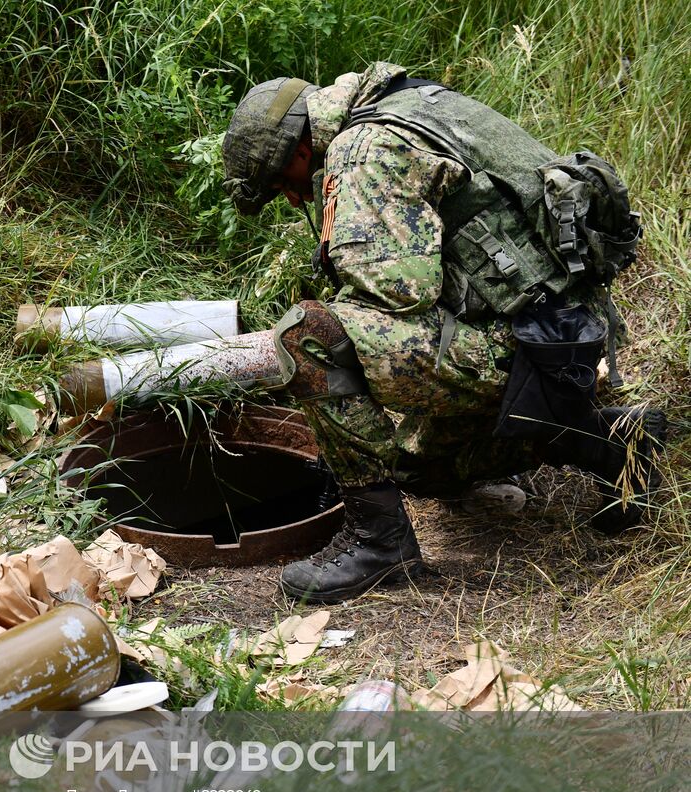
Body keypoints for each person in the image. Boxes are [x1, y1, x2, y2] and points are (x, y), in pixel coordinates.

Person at [219, 62, 662, 603]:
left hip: (525, 345)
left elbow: (396, 293)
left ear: (300, 152)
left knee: (310, 336)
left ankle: (381, 546)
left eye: (283, 185)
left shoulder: (363, 150)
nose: (293, 200)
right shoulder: (412, 103)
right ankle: (615, 443)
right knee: (417, 471)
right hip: (562, 338)